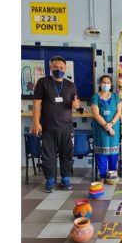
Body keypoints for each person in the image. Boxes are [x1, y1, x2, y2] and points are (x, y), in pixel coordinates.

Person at [32, 55, 81, 193]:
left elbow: (76, 103)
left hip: (66, 127)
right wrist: (36, 122)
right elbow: (37, 104)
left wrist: (76, 105)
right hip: (48, 126)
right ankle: (50, 181)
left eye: (61, 68)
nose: (58, 70)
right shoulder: (43, 82)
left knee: (67, 154)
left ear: (66, 69)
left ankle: (65, 179)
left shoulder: (71, 85)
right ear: (50, 68)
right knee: (48, 155)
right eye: (55, 67)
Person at [90, 75, 122, 182]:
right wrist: (107, 127)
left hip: (114, 128)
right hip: (100, 129)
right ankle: (103, 177)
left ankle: (112, 176)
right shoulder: (95, 97)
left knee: (113, 154)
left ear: (111, 84)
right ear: (100, 84)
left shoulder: (116, 96)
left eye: (108, 82)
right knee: (101, 153)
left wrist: (111, 124)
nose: (106, 84)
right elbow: (96, 115)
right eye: (104, 82)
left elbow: (119, 112)